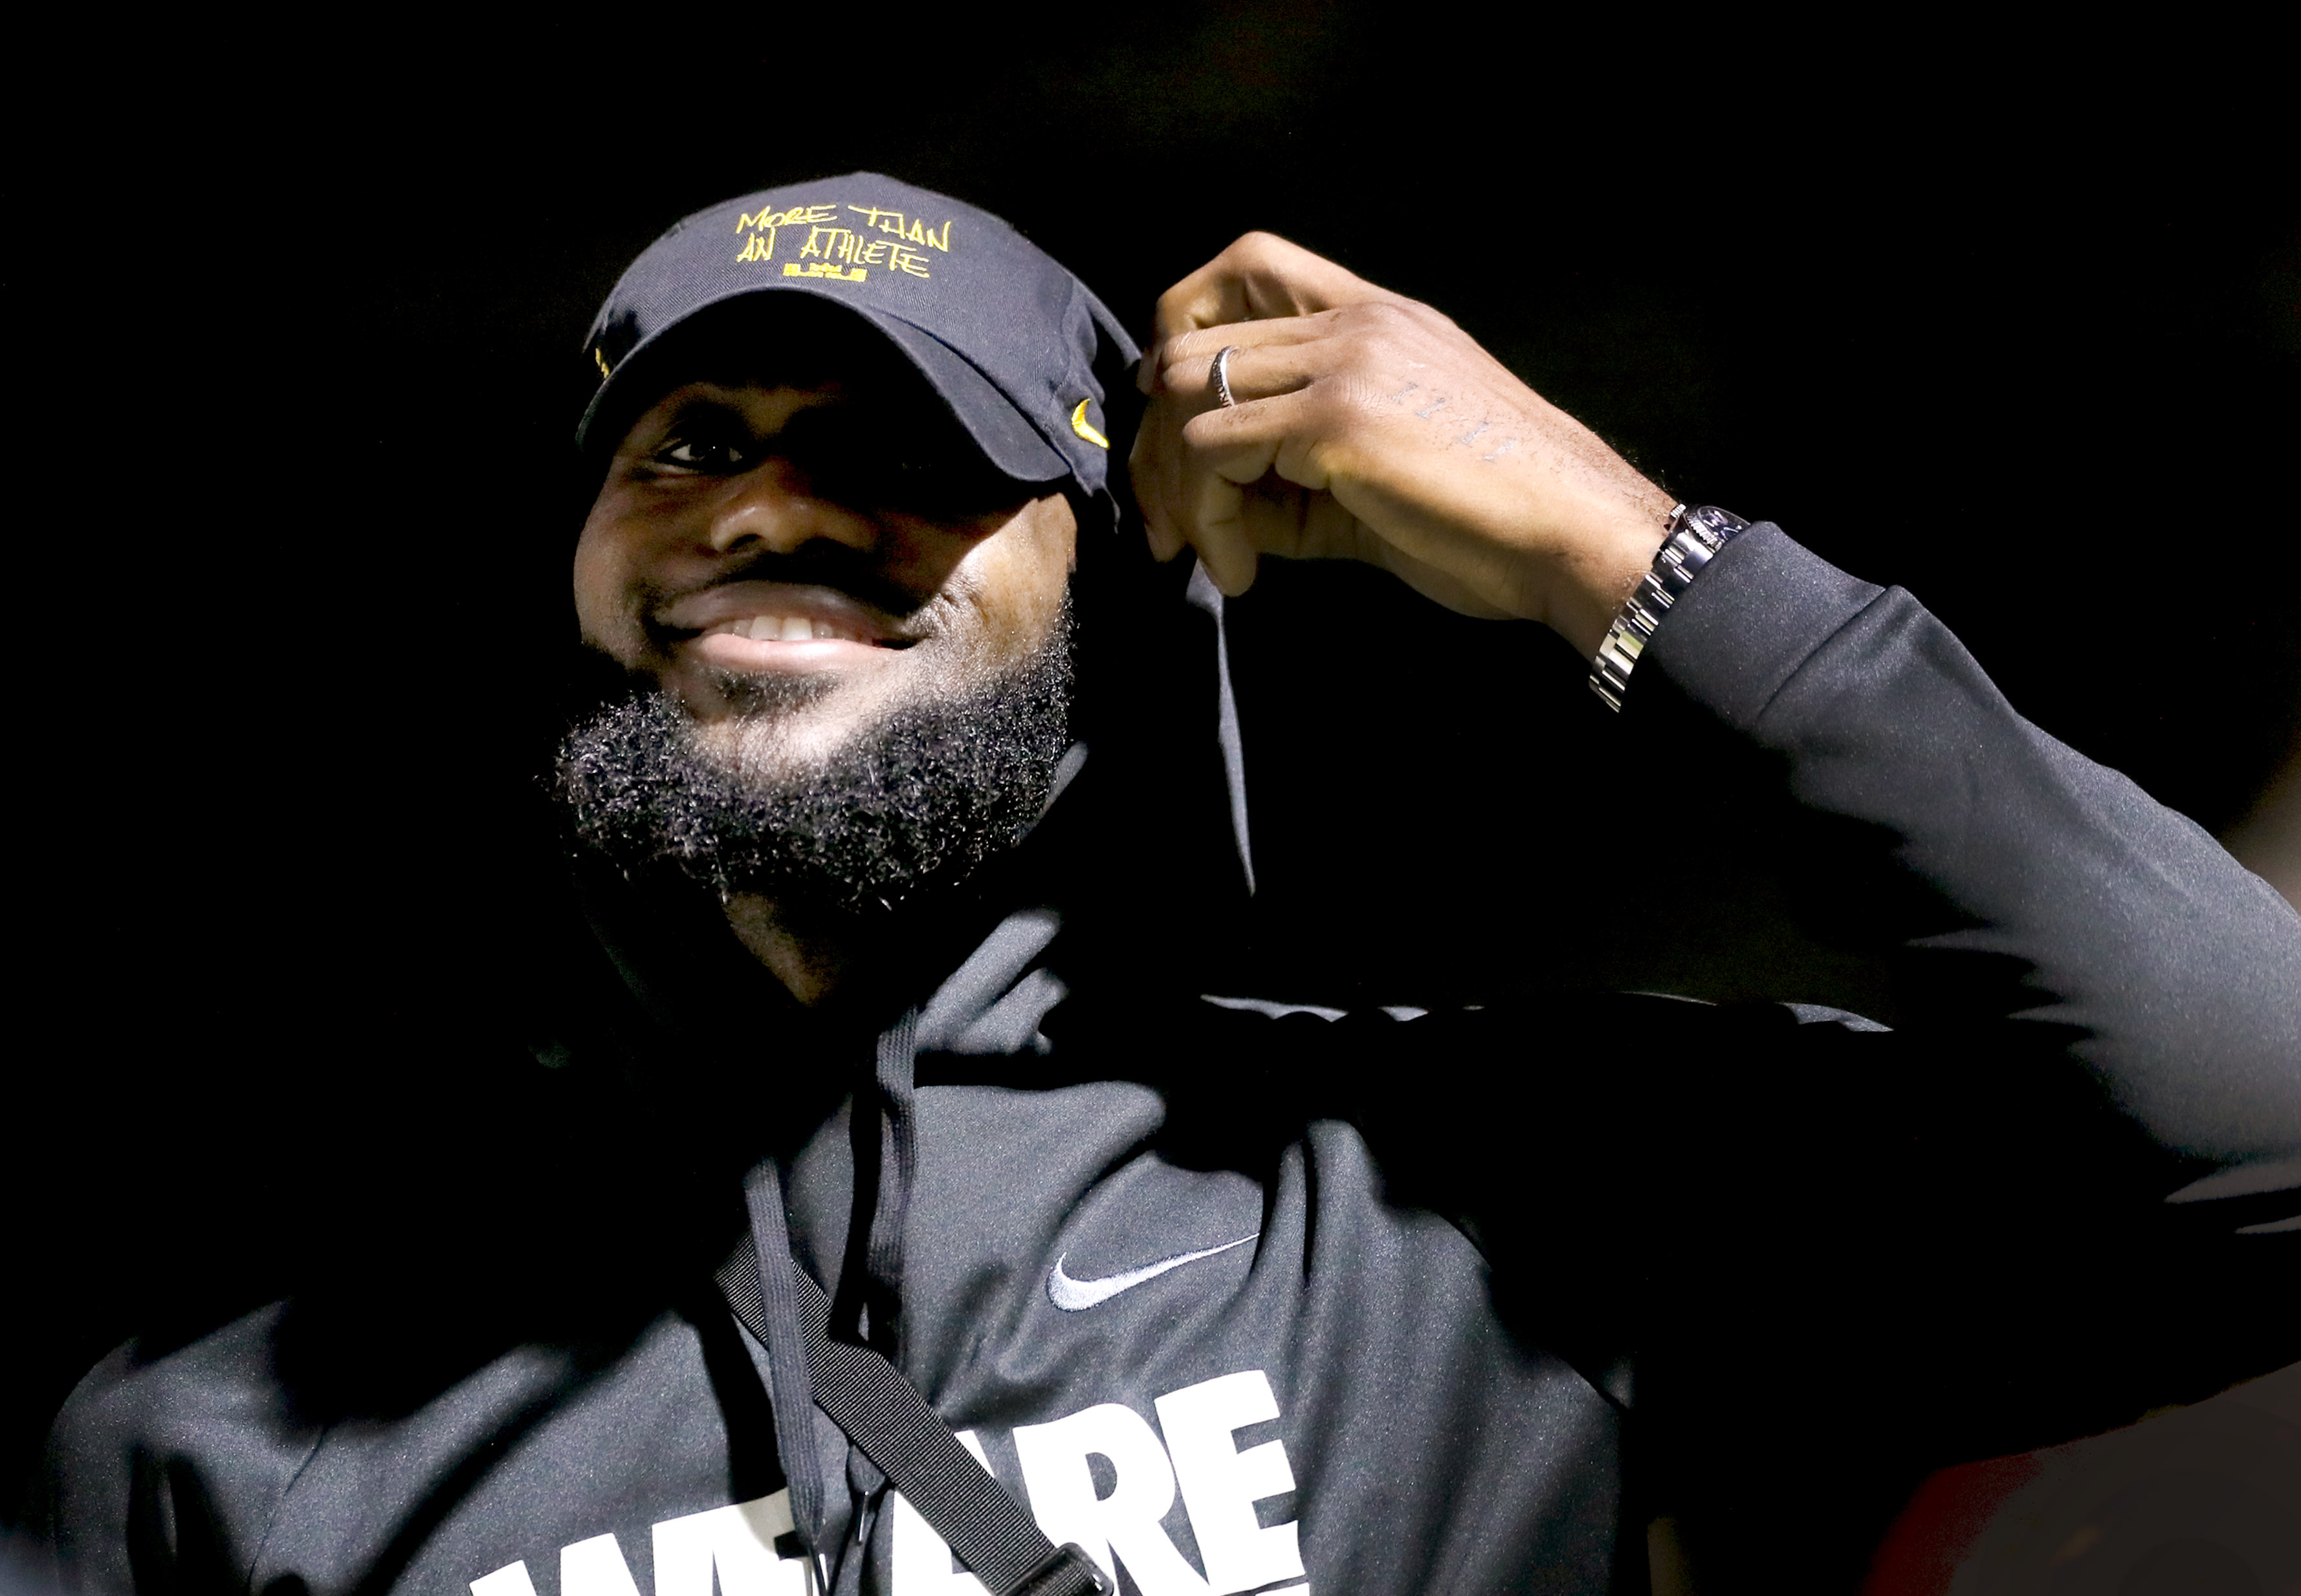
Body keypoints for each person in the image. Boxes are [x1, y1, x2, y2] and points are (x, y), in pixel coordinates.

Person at [29, 173, 2300, 1596]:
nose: (766, 510)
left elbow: (2262, 1137)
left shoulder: (1467, 1206)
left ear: (1110, 600)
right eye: (688, 446)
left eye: (913, 451)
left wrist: (1627, 554)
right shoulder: (220, 1435)